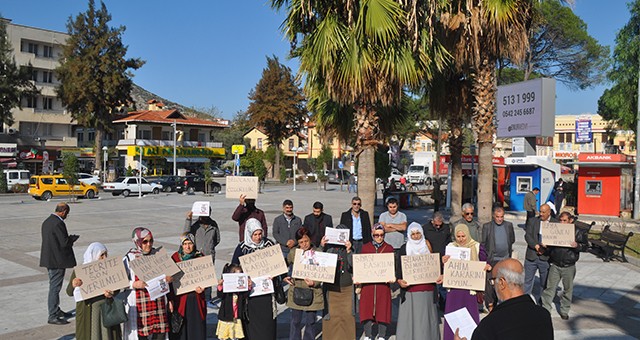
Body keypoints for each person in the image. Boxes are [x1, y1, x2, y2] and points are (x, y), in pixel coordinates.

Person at [453, 259, 553, 340]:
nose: (493, 286)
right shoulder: (543, 315)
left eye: (493, 281)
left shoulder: (490, 325)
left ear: (502, 282)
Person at [230, 218, 278, 340]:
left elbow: (278, 264)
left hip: (266, 293)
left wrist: (275, 274)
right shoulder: (242, 248)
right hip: (250, 295)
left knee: (267, 323)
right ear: (249, 233)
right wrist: (244, 278)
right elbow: (233, 269)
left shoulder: (269, 244)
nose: (258, 237)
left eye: (260, 233)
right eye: (255, 234)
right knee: (251, 323)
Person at [442, 224, 490, 340]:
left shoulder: (477, 247)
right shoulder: (451, 247)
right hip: (454, 290)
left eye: (463, 236)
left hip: (469, 291)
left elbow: (483, 263)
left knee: (469, 318)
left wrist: (487, 267)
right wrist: (444, 261)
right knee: (452, 317)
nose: (461, 239)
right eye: (458, 236)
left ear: (467, 234)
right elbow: (447, 269)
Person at [395, 222, 442, 340]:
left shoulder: (428, 246)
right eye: (413, 234)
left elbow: (435, 264)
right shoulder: (404, 248)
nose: (416, 236)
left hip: (427, 290)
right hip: (410, 291)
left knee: (426, 319)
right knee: (411, 318)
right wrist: (399, 280)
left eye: (418, 233)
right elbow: (398, 268)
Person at [66, 242, 122, 339]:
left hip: (105, 310)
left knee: (106, 335)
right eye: (101, 255)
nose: (104, 258)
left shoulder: (109, 268)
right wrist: (73, 284)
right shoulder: (80, 271)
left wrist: (111, 293)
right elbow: (69, 292)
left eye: (106, 254)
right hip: (88, 311)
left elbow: (116, 287)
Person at [123, 227, 171, 340]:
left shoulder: (157, 255)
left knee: (160, 333)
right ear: (137, 242)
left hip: (157, 304)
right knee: (141, 335)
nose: (148, 244)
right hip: (140, 305)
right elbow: (120, 282)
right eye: (144, 242)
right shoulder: (129, 258)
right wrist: (133, 284)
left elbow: (168, 274)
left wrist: (169, 278)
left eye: (151, 241)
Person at [541, 211, 589, 320]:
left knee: (568, 289)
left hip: (569, 265)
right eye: (560, 220)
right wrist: (546, 246)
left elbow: (585, 247)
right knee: (549, 288)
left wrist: (577, 246)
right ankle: (546, 309)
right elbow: (550, 248)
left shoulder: (577, 232)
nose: (562, 223)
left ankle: (564, 310)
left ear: (570, 220)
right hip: (555, 264)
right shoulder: (555, 230)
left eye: (565, 220)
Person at [40, 202, 78, 325]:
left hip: (49, 259)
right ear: (64, 211)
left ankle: (56, 310)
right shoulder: (58, 223)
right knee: (55, 288)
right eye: (67, 213)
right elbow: (64, 243)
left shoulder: (47, 221)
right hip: (57, 261)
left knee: (53, 286)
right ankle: (53, 315)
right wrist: (72, 239)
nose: (67, 216)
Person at [283, 228, 324, 340]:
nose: (304, 244)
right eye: (301, 242)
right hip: (297, 290)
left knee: (311, 321)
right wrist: (284, 277)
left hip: (313, 291)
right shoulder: (293, 253)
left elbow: (324, 273)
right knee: (295, 321)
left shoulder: (318, 253)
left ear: (310, 239)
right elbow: (283, 265)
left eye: (306, 241)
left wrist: (314, 283)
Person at [358, 224, 394, 340]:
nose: (379, 237)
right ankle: (368, 334)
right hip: (368, 285)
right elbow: (361, 265)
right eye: (376, 235)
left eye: (381, 235)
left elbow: (392, 265)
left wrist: (392, 276)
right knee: (367, 309)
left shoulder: (389, 248)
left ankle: (382, 335)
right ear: (372, 235)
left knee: (383, 308)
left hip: (383, 285)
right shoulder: (365, 247)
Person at [319, 224, 355, 339]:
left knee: (347, 315)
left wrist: (349, 251)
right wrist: (321, 246)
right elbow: (318, 263)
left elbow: (354, 265)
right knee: (332, 316)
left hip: (346, 288)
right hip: (332, 289)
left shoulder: (350, 249)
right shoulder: (329, 249)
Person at [169, 233, 206, 339]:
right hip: (180, 300)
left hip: (196, 299)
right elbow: (170, 283)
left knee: (196, 327)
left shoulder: (200, 257)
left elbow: (206, 278)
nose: (187, 247)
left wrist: (203, 288)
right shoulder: (175, 258)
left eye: (190, 243)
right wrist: (170, 299)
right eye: (185, 244)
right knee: (182, 328)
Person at [480, 206, 515, 312]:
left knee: (504, 283)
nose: (500, 219)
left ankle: (503, 304)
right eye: (497, 217)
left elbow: (512, 240)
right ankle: (490, 305)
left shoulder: (509, 225)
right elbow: (483, 243)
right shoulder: (487, 227)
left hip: (505, 260)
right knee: (490, 284)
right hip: (492, 260)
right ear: (493, 216)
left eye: (501, 217)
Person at [183, 208, 220, 304]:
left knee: (208, 278)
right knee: (197, 277)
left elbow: (217, 239)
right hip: (197, 255)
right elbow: (186, 234)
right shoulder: (195, 225)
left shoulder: (213, 225)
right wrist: (188, 219)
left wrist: (210, 247)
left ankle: (208, 298)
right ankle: (198, 298)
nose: (204, 216)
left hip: (209, 255)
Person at [524, 203, 555, 301]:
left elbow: (557, 240)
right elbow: (527, 236)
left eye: (543, 212)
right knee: (527, 281)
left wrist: (547, 248)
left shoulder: (555, 223)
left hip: (545, 258)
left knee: (544, 282)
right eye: (540, 211)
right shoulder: (533, 221)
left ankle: (542, 302)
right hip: (532, 256)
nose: (541, 214)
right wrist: (536, 246)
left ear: (549, 212)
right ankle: (525, 300)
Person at [424, 211, 451, 310]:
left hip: (443, 260)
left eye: (440, 225)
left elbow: (449, 242)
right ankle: (432, 305)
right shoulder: (425, 229)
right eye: (436, 225)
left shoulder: (446, 228)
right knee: (432, 285)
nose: (438, 227)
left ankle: (444, 306)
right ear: (432, 221)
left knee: (443, 286)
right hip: (431, 260)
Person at [216, 263, 249, 340]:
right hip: (226, 317)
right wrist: (220, 286)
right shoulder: (226, 288)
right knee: (224, 336)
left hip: (237, 317)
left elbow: (245, 296)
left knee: (235, 336)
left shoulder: (240, 290)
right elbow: (220, 295)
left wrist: (249, 286)